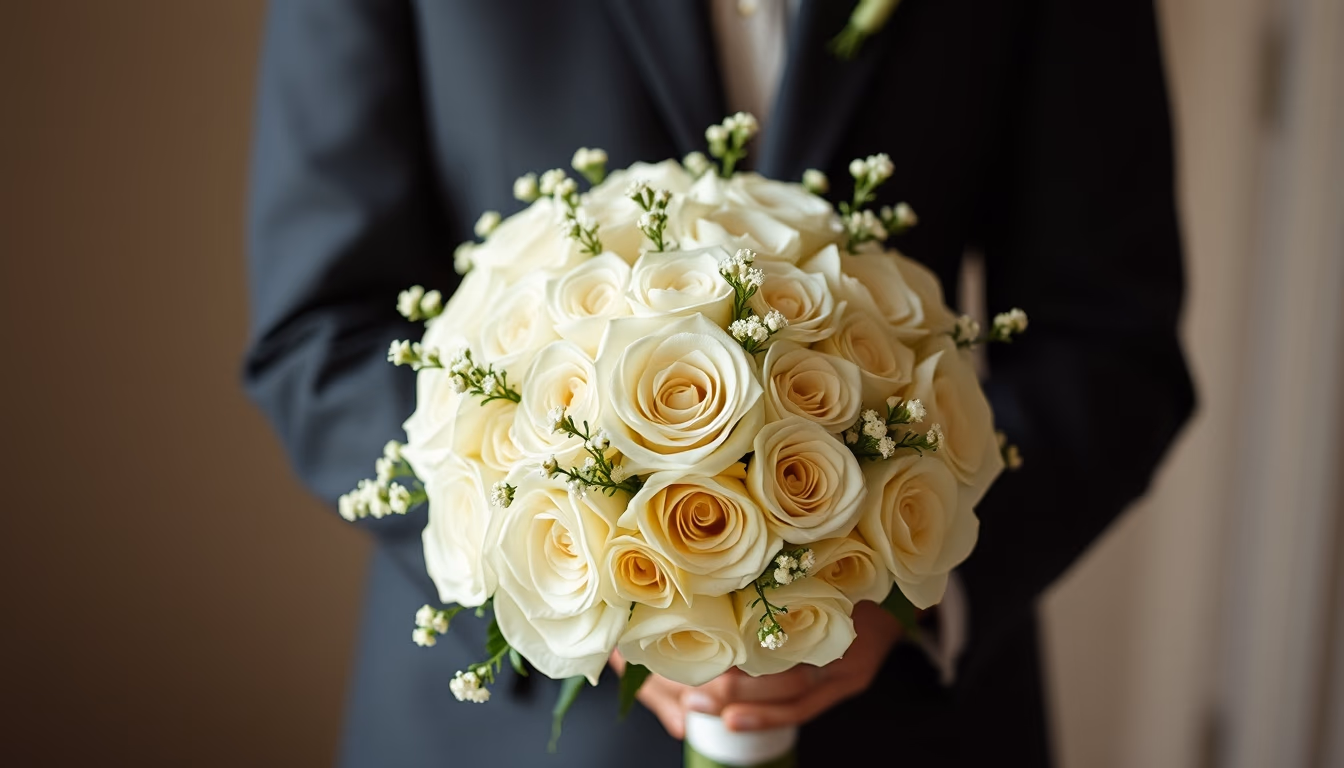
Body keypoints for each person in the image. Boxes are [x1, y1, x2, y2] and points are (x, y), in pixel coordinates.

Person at [243, 1, 1194, 765]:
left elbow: (1111, 332)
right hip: (506, 737)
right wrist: (566, 586)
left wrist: (911, 589)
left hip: (910, 728)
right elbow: (320, 333)